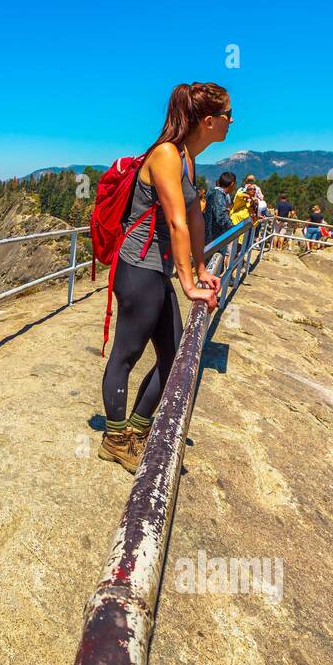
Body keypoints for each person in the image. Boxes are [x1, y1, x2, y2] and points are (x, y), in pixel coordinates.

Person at [99, 83, 225, 472]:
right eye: (227, 115)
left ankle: (137, 427)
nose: (231, 121)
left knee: (172, 357)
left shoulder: (186, 158)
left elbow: (195, 216)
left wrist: (202, 268)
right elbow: (175, 221)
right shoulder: (167, 155)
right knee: (127, 353)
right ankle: (115, 438)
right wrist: (189, 284)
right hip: (138, 269)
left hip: (156, 270)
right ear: (208, 121)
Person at [203, 172, 236, 246]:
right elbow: (221, 216)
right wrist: (232, 227)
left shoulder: (213, 192)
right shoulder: (218, 195)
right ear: (232, 184)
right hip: (215, 239)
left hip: (209, 236)